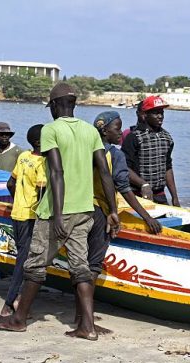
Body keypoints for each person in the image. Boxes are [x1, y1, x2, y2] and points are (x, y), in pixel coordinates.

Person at [0, 83, 120, 341]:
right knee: (80, 267)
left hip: (55, 211)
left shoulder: (51, 129)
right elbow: (105, 173)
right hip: (86, 209)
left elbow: (56, 172)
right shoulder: (89, 131)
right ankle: (87, 326)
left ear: (53, 105)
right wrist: (113, 210)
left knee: (35, 264)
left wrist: (58, 214)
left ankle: (18, 319)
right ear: (73, 104)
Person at [75, 111, 164, 331]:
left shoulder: (81, 150)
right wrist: (147, 217)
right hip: (99, 213)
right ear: (104, 130)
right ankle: (87, 320)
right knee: (93, 266)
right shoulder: (114, 155)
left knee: (79, 264)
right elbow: (124, 188)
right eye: (117, 128)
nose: (120, 133)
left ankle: (81, 315)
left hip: (77, 209)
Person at [0, 124, 46, 317]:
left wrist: (20, 199)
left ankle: (18, 299)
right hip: (30, 216)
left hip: (17, 213)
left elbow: (10, 183)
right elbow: (42, 193)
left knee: (22, 256)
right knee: (23, 261)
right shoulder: (42, 162)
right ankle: (10, 303)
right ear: (39, 142)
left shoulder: (23, 156)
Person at [121, 95, 180, 206]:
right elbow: (124, 167)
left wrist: (174, 197)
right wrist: (143, 184)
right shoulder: (134, 137)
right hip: (138, 193)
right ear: (144, 115)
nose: (160, 116)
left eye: (161, 113)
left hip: (159, 194)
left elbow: (167, 167)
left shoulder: (166, 137)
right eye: (155, 113)